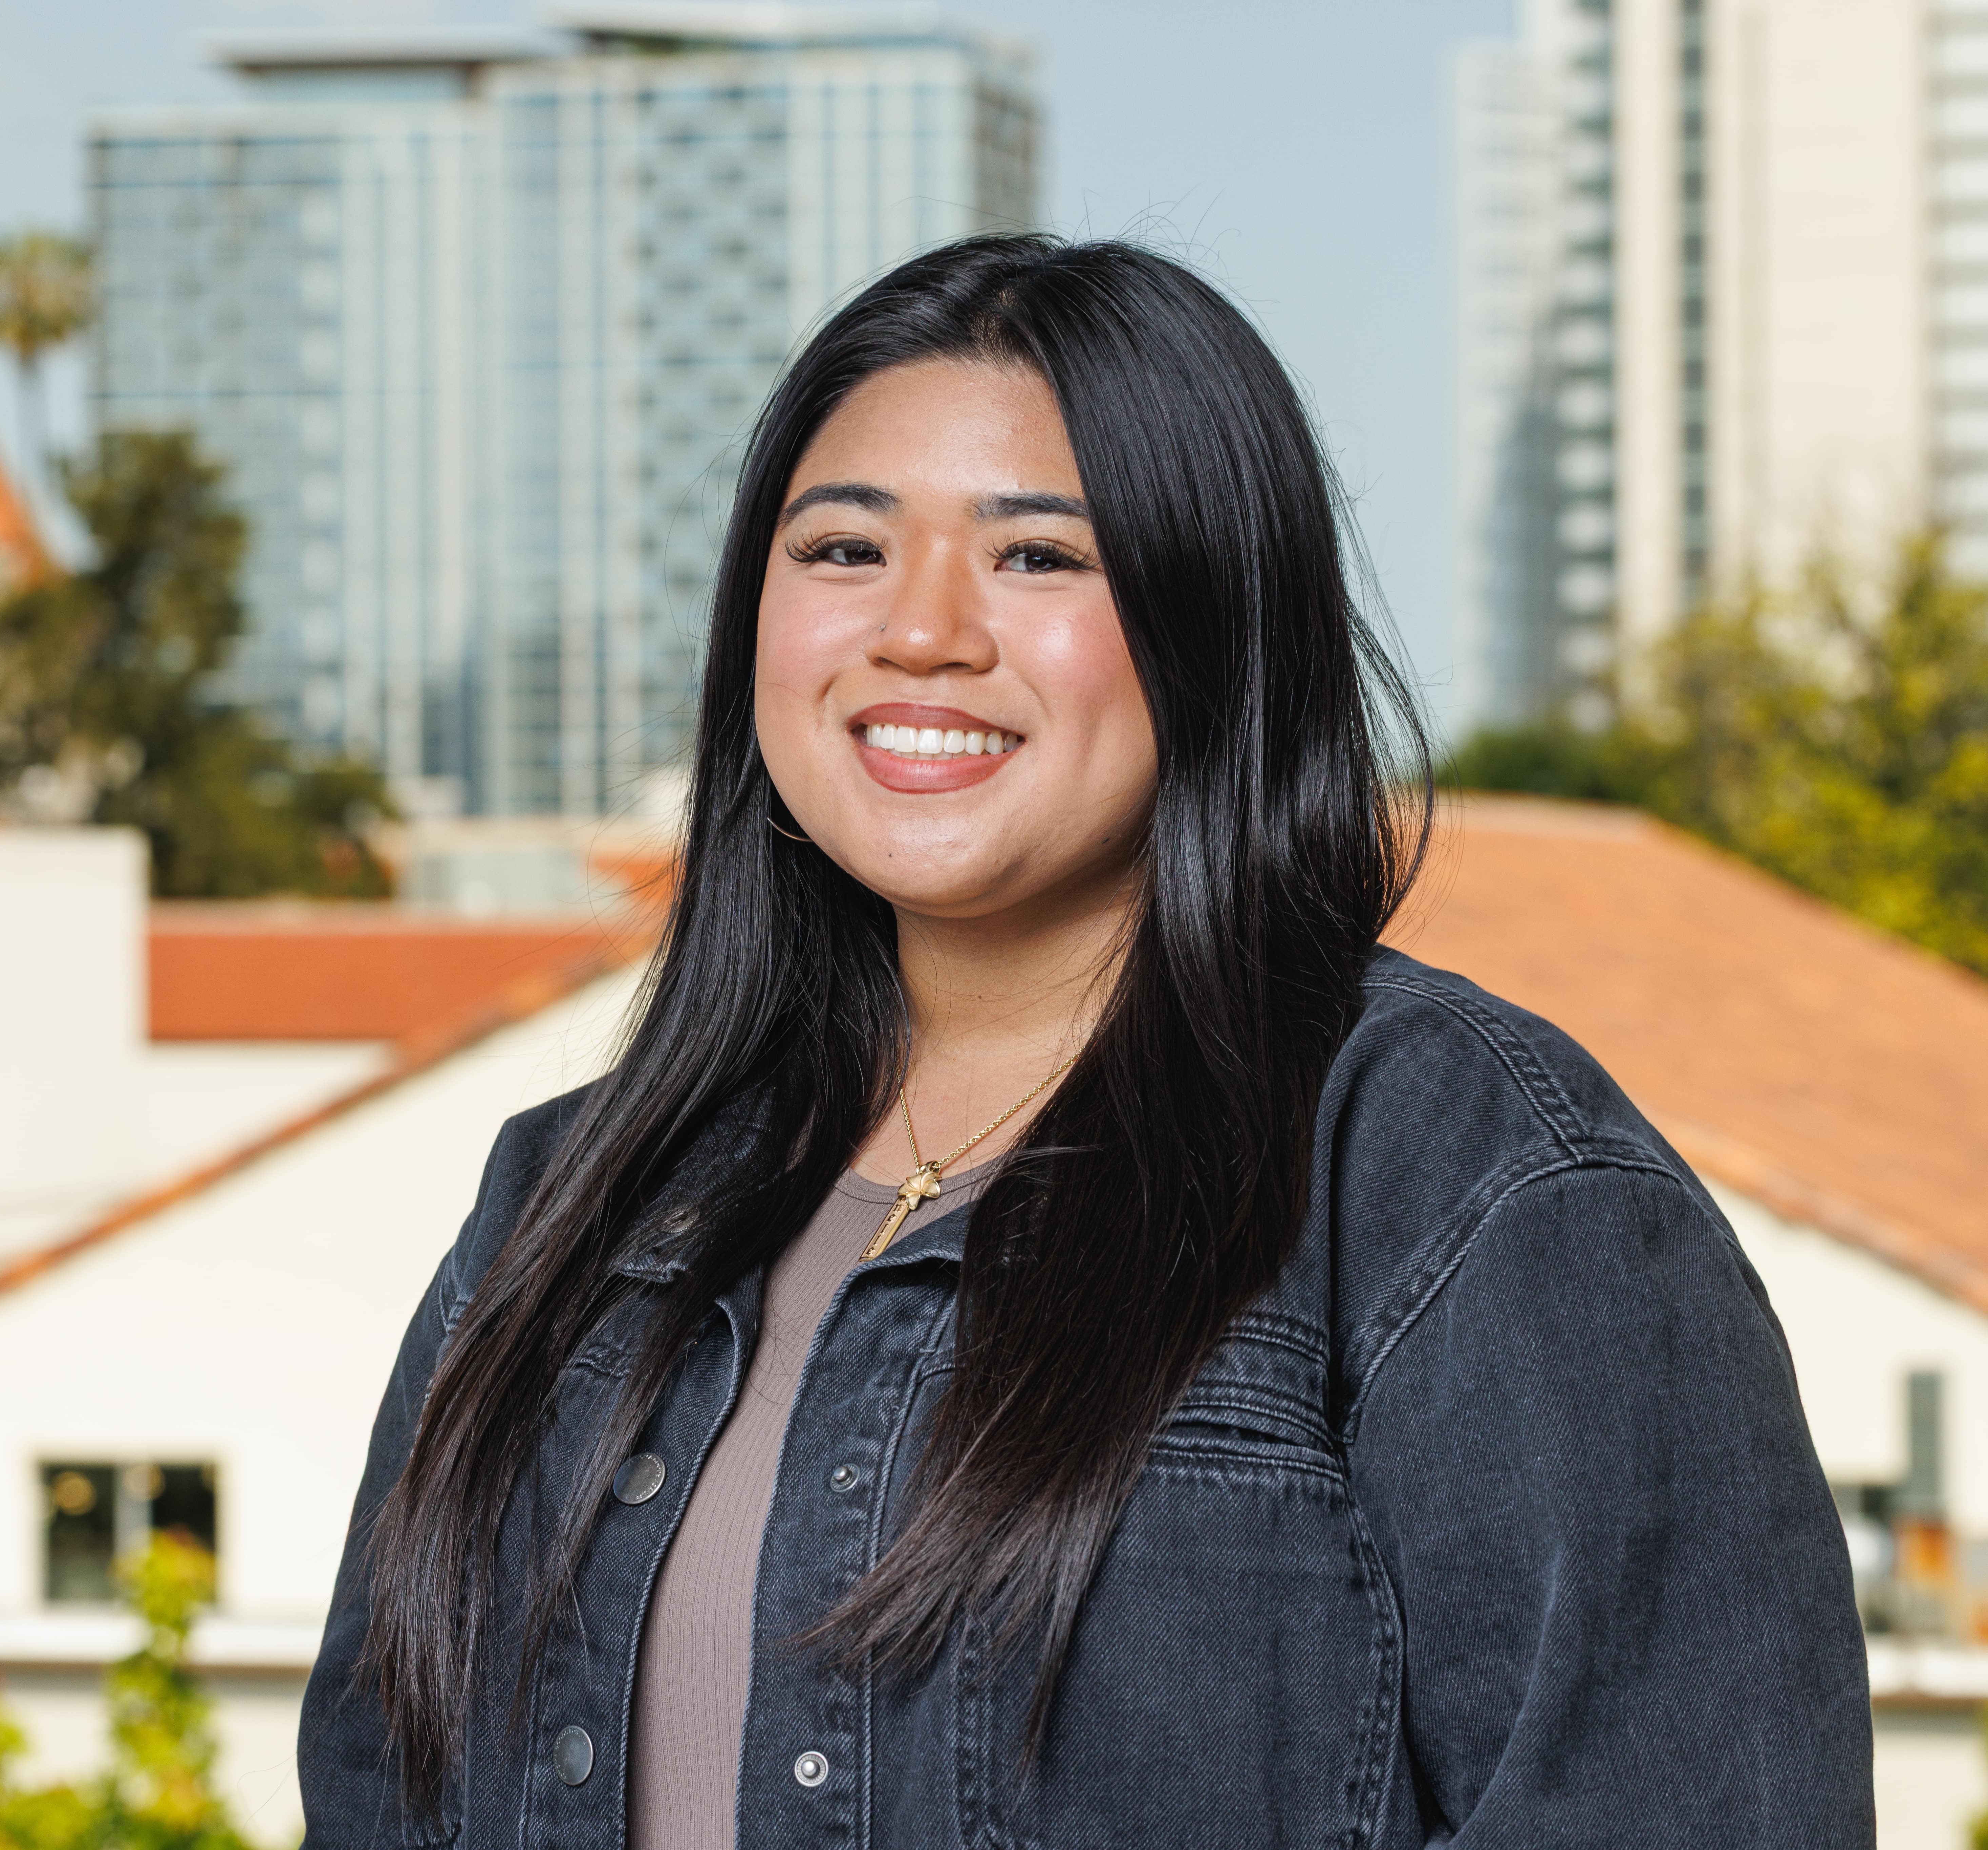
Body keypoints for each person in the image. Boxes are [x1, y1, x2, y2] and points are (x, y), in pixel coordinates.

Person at [297, 235, 1871, 1847]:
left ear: (1214, 623)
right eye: (841, 548)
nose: (918, 633)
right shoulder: (580, 1190)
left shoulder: (1460, 1181)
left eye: (1039, 559)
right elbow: (375, 1786)